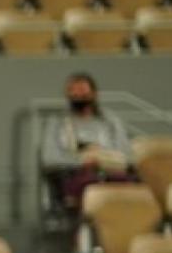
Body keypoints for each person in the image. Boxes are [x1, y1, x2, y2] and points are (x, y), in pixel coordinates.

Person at [39, 72, 136, 218]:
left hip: (110, 171)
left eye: (82, 90)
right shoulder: (57, 123)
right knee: (88, 188)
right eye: (73, 91)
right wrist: (81, 162)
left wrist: (103, 159)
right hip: (74, 174)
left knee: (129, 185)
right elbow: (50, 158)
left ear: (93, 93)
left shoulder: (110, 121)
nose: (78, 95)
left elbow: (126, 155)